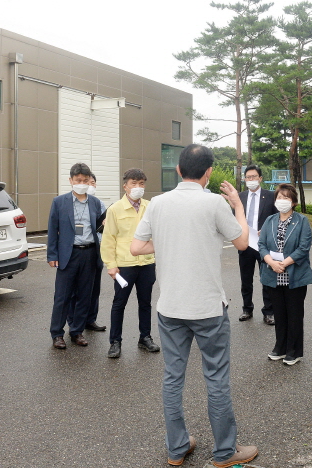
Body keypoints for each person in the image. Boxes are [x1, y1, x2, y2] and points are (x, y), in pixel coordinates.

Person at [130, 144, 258, 468]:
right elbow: (242, 242)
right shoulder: (214, 202)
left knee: (172, 378)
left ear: (177, 170)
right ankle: (225, 453)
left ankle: (176, 448)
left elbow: (135, 247)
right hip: (208, 309)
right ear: (209, 172)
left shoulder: (157, 204)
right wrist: (238, 206)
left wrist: (169, 240)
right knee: (215, 378)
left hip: (170, 306)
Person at [100, 168, 159, 358]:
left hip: (147, 262)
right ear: (125, 186)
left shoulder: (150, 206)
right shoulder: (115, 209)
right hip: (124, 265)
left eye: (141, 183)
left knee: (145, 303)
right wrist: (111, 264)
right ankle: (115, 342)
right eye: (134, 183)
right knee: (119, 303)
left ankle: (145, 338)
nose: (138, 187)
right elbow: (108, 239)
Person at [47, 163, 106, 350]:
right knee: (62, 296)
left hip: (89, 253)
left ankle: (77, 331)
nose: (81, 183)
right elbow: (52, 229)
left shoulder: (95, 203)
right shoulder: (59, 202)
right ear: (71, 180)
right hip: (68, 254)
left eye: (85, 180)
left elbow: (99, 228)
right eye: (78, 180)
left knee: (84, 295)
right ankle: (57, 333)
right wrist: (52, 254)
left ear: (90, 181)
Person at [258, 183, 312, 366]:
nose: (282, 201)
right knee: (280, 314)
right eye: (279, 197)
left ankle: (294, 351)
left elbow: (304, 247)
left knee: (295, 314)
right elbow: (262, 244)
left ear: (294, 202)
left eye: (286, 198)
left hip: (294, 274)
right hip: (273, 274)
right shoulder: (270, 220)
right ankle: (280, 347)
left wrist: (285, 263)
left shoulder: (302, 221)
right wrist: (271, 262)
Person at [66, 174, 107, 332]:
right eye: (85, 182)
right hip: (76, 250)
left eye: (92, 183)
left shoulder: (99, 204)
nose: (89, 185)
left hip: (95, 250)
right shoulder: (70, 203)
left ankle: (90, 319)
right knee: (75, 289)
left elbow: (106, 228)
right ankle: (74, 321)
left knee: (93, 288)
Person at [237, 165, 277, 325]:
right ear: (245, 179)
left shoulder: (271, 196)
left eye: (254, 177)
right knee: (245, 279)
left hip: (264, 244)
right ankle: (247, 309)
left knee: (266, 279)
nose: (251, 180)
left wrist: (267, 230)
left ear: (260, 178)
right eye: (248, 177)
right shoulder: (240, 197)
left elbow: (277, 218)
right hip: (245, 243)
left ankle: (269, 312)